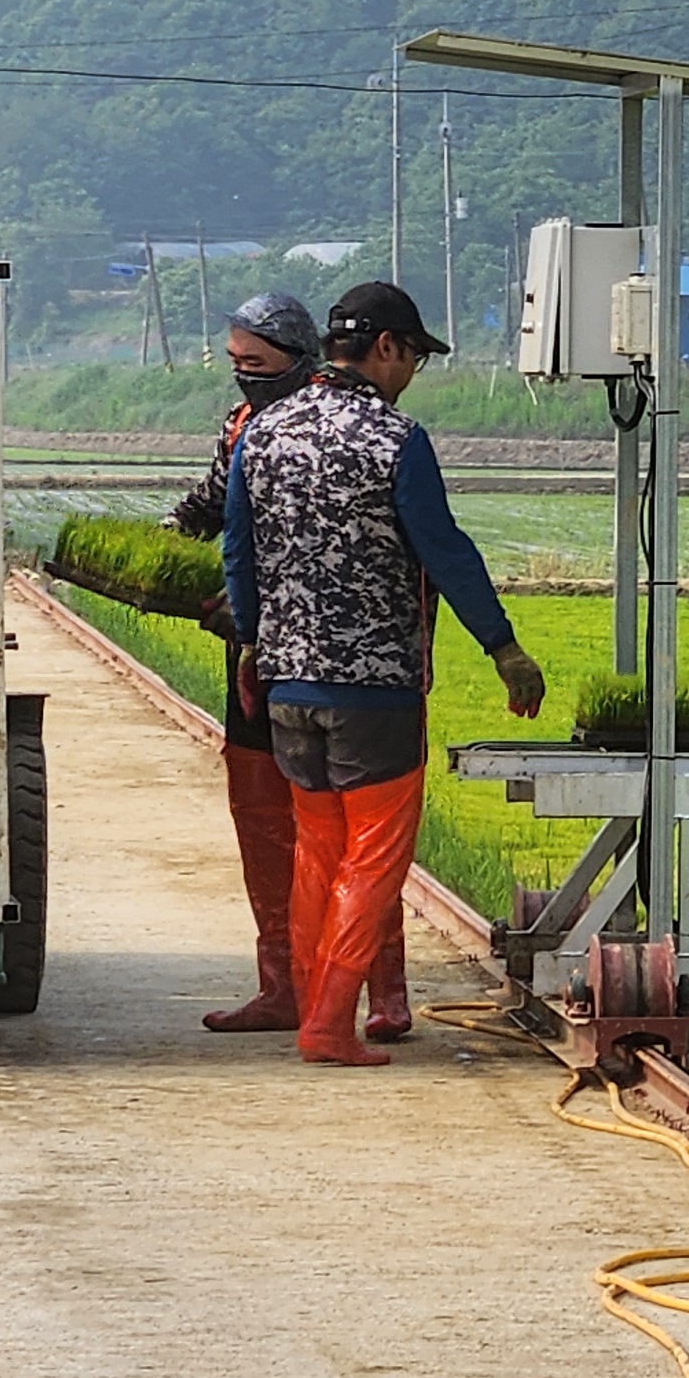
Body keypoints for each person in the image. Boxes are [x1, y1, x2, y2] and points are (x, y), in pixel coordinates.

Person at [223, 279, 545, 1067]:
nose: (410, 376)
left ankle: (312, 1010)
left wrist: (254, 643)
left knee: (316, 853)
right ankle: (330, 1024)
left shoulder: (263, 433)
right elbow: (445, 549)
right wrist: (503, 647)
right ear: (388, 348)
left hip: (289, 689)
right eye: (412, 359)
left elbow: (238, 550)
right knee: (372, 858)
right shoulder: (395, 439)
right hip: (375, 693)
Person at [168, 291, 376, 1034]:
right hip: (254, 650)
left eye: (255, 363)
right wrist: (164, 544)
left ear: (296, 358)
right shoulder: (240, 427)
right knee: (263, 817)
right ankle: (284, 983)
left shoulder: (335, 424)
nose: (244, 376)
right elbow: (208, 508)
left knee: (353, 826)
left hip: (334, 655)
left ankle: (377, 993)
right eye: (235, 363)